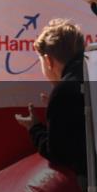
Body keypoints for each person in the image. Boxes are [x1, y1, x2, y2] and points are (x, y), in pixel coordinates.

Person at [14, 19, 87, 183]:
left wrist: (35, 127)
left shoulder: (63, 92)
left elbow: (58, 153)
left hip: (94, 189)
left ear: (48, 61)